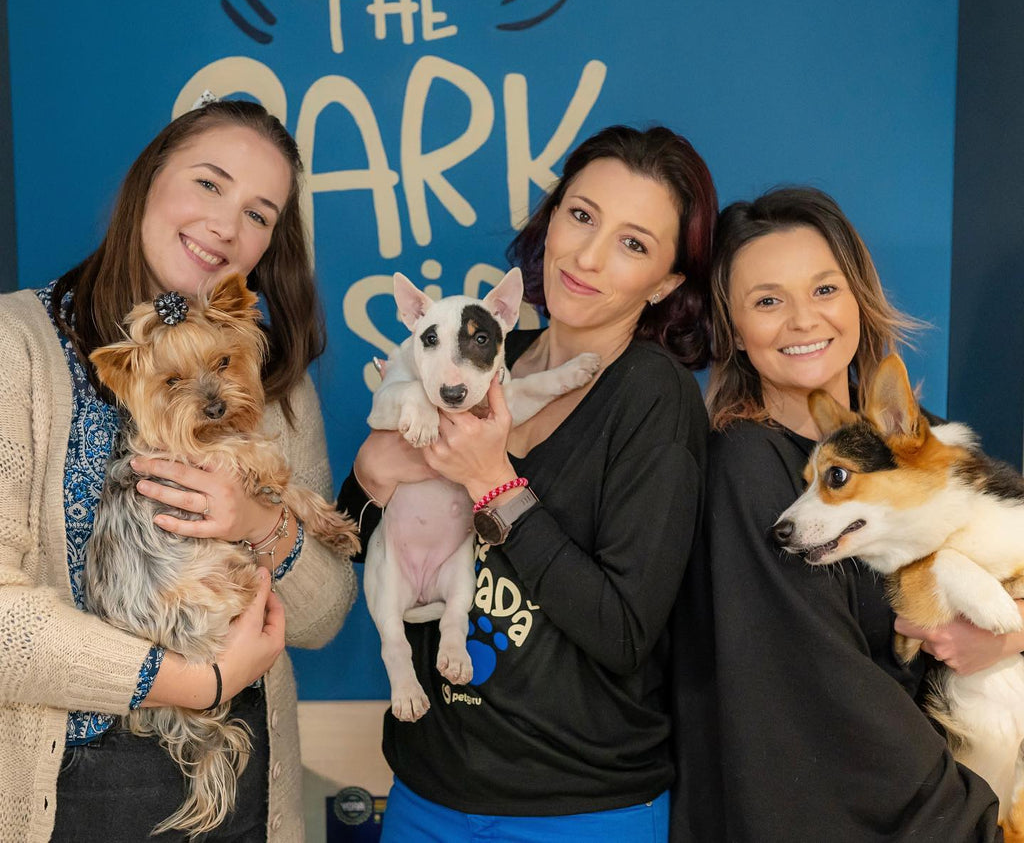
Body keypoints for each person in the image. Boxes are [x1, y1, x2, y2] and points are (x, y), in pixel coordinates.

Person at [337, 125, 716, 841]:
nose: (589, 255)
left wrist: (494, 482)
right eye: (582, 215)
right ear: (552, 218)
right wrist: (367, 476)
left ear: (667, 282)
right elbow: (357, 547)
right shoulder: (477, 353)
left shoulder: (652, 396)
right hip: (428, 786)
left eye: (634, 244)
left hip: (578, 808)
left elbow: (623, 631)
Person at [0, 99, 357, 842]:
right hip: (69, 796)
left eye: (258, 214)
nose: (226, 226)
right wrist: (195, 680)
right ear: (149, 176)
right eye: (209, 183)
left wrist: (260, 522)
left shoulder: (278, 385)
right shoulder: (15, 348)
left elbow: (324, 616)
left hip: (247, 782)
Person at [670, 186, 1008, 842]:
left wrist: (1009, 635)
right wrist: (970, 825)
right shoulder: (749, 467)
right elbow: (825, 696)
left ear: (859, 298)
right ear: (733, 329)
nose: (804, 320)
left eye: (824, 289)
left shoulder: (920, 440)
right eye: (768, 301)